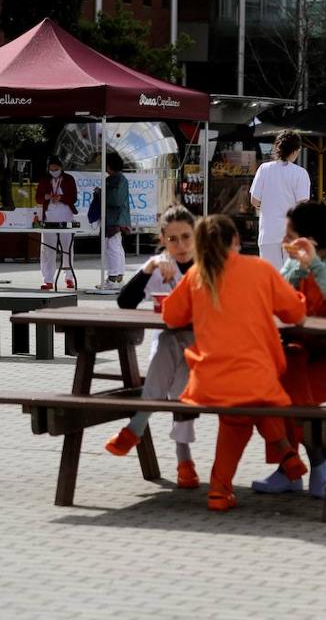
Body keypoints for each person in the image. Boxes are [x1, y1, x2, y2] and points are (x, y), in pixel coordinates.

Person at [161, 214, 308, 511]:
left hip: (209, 380)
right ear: (236, 241)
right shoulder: (260, 269)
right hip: (258, 376)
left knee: (237, 414)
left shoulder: (197, 275)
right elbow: (296, 314)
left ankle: (219, 490)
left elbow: (170, 316)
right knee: (249, 399)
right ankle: (280, 449)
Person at [252, 201, 326, 496]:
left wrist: (316, 266)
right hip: (300, 351)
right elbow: (275, 302)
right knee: (268, 388)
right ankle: (296, 465)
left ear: (309, 238)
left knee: (289, 396)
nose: (285, 241)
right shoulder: (293, 262)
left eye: (291, 235)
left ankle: (305, 465)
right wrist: (299, 270)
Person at [104, 206, 201, 488]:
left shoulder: (209, 264)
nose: (180, 246)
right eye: (172, 239)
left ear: (196, 236)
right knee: (171, 350)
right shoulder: (161, 265)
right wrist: (148, 270)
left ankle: (137, 427)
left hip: (203, 348)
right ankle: (184, 460)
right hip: (170, 347)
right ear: (162, 239)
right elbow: (125, 303)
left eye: (186, 237)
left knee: (179, 362)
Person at [250, 129, 311, 267]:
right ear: (295, 150)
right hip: (292, 235)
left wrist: (268, 206)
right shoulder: (300, 173)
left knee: (269, 278)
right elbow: (303, 207)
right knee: (290, 278)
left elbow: (254, 201)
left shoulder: (264, 169)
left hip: (268, 233)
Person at [34, 155, 78, 290]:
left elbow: (74, 197)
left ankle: (69, 277)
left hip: (66, 217)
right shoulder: (44, 180)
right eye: (51, 169)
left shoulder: (69, 179)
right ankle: (48, 279)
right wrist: (47, 196)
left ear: (61, 168)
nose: (54, 171)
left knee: (67, 249)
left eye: (56, 169)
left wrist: (62, 197)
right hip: (49, 218)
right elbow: (38, 198)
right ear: (48, 169)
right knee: (47, 250)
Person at [99, 153, 132, 289]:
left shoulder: (117, 179)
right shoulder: (118, 179)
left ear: (109, 165)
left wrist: (102, 194)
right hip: (117, 218)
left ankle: (113, 278)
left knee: (112, 248)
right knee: (116, 248)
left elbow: (116, 200)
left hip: (115, 219)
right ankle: (117, 277)